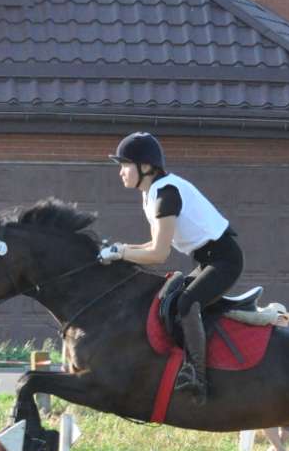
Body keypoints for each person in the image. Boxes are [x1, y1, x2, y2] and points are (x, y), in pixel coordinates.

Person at [99, 132, 243, 403]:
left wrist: (121, 255)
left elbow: (158, 254)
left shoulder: (167, 195)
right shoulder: (153, 192)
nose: (120, 172)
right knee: (170, 300)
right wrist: (120, 249)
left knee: (186, 303)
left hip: (225, 260)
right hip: (209, 258)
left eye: (125, 165)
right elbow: (153, 244)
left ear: (145, 167)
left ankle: (197, 377)